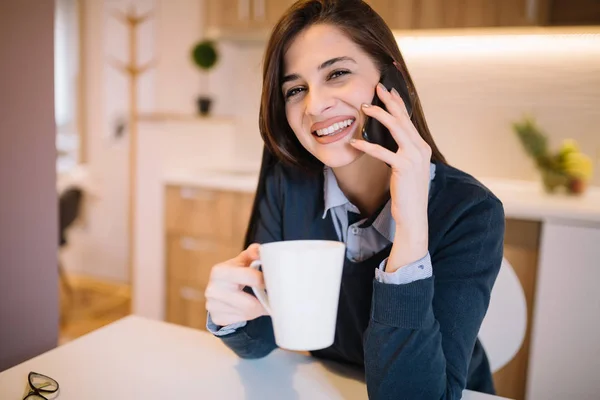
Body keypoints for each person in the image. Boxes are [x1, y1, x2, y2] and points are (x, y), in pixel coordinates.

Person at [204, 0, 505, 398]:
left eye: (338, 73)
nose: (314, 105)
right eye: (296, 89)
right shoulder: (289, 183)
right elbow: (261, 339)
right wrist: (229, 314)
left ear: (392, 82)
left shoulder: (470, 211)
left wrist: (411, 228)